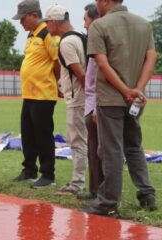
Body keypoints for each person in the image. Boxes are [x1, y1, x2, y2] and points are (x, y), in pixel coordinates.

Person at [84, 0, 157, 217]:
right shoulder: (144, 24)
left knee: (111, 150)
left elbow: (102, 64)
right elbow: (151, 57)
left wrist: (125, 90)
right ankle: (147, 194)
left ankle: (107, 202)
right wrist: (137, 89)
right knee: (134, 146)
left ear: (106, 1)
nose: (97, 4)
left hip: (111, 97)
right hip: (136, 98)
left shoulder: (100, 25)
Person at [12, 0, 60, 187]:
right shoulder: (32, 35)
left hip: (43, 94)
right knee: (28, 134)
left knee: (43, 135)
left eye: (22, 18)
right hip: (30, 95)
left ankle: (48, 174)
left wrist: (58, 83)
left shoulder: (47, 33)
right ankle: (29, 168)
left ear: (34, 15)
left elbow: (56, 61)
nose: (20, 22)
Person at [43, 4, 88, 195]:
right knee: (84, 141)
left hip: (78, 99)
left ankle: (77, 183)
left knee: (77, 141)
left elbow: (81, 75)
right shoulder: (79, 36)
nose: (46, 27)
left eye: (47, 22)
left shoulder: (66, 42)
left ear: (53, 21)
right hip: (82, 97)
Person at [76, 3, 103, 201]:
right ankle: (95, 191)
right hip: (92, 102)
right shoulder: (94, 41)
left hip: (96, 104)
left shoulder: (102, 39)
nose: (84, 25)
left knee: (99, 151)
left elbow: (102, 76)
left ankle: (101, 193)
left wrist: (96, 107)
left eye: (85, 20)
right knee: (93, 151)